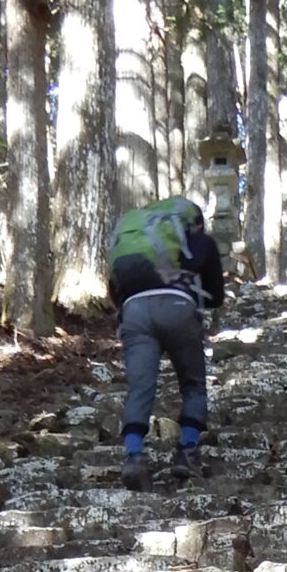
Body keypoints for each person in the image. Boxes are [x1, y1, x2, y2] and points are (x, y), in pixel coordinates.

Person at [108, 195, 226, 490]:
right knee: (193, 384)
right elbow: (217, 295)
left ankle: (134, 455)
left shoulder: (137, 239)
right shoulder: (200, 241)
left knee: (140, 387)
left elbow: (114, 286)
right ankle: (186, 451)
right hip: (178, 308)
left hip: (134, 311)